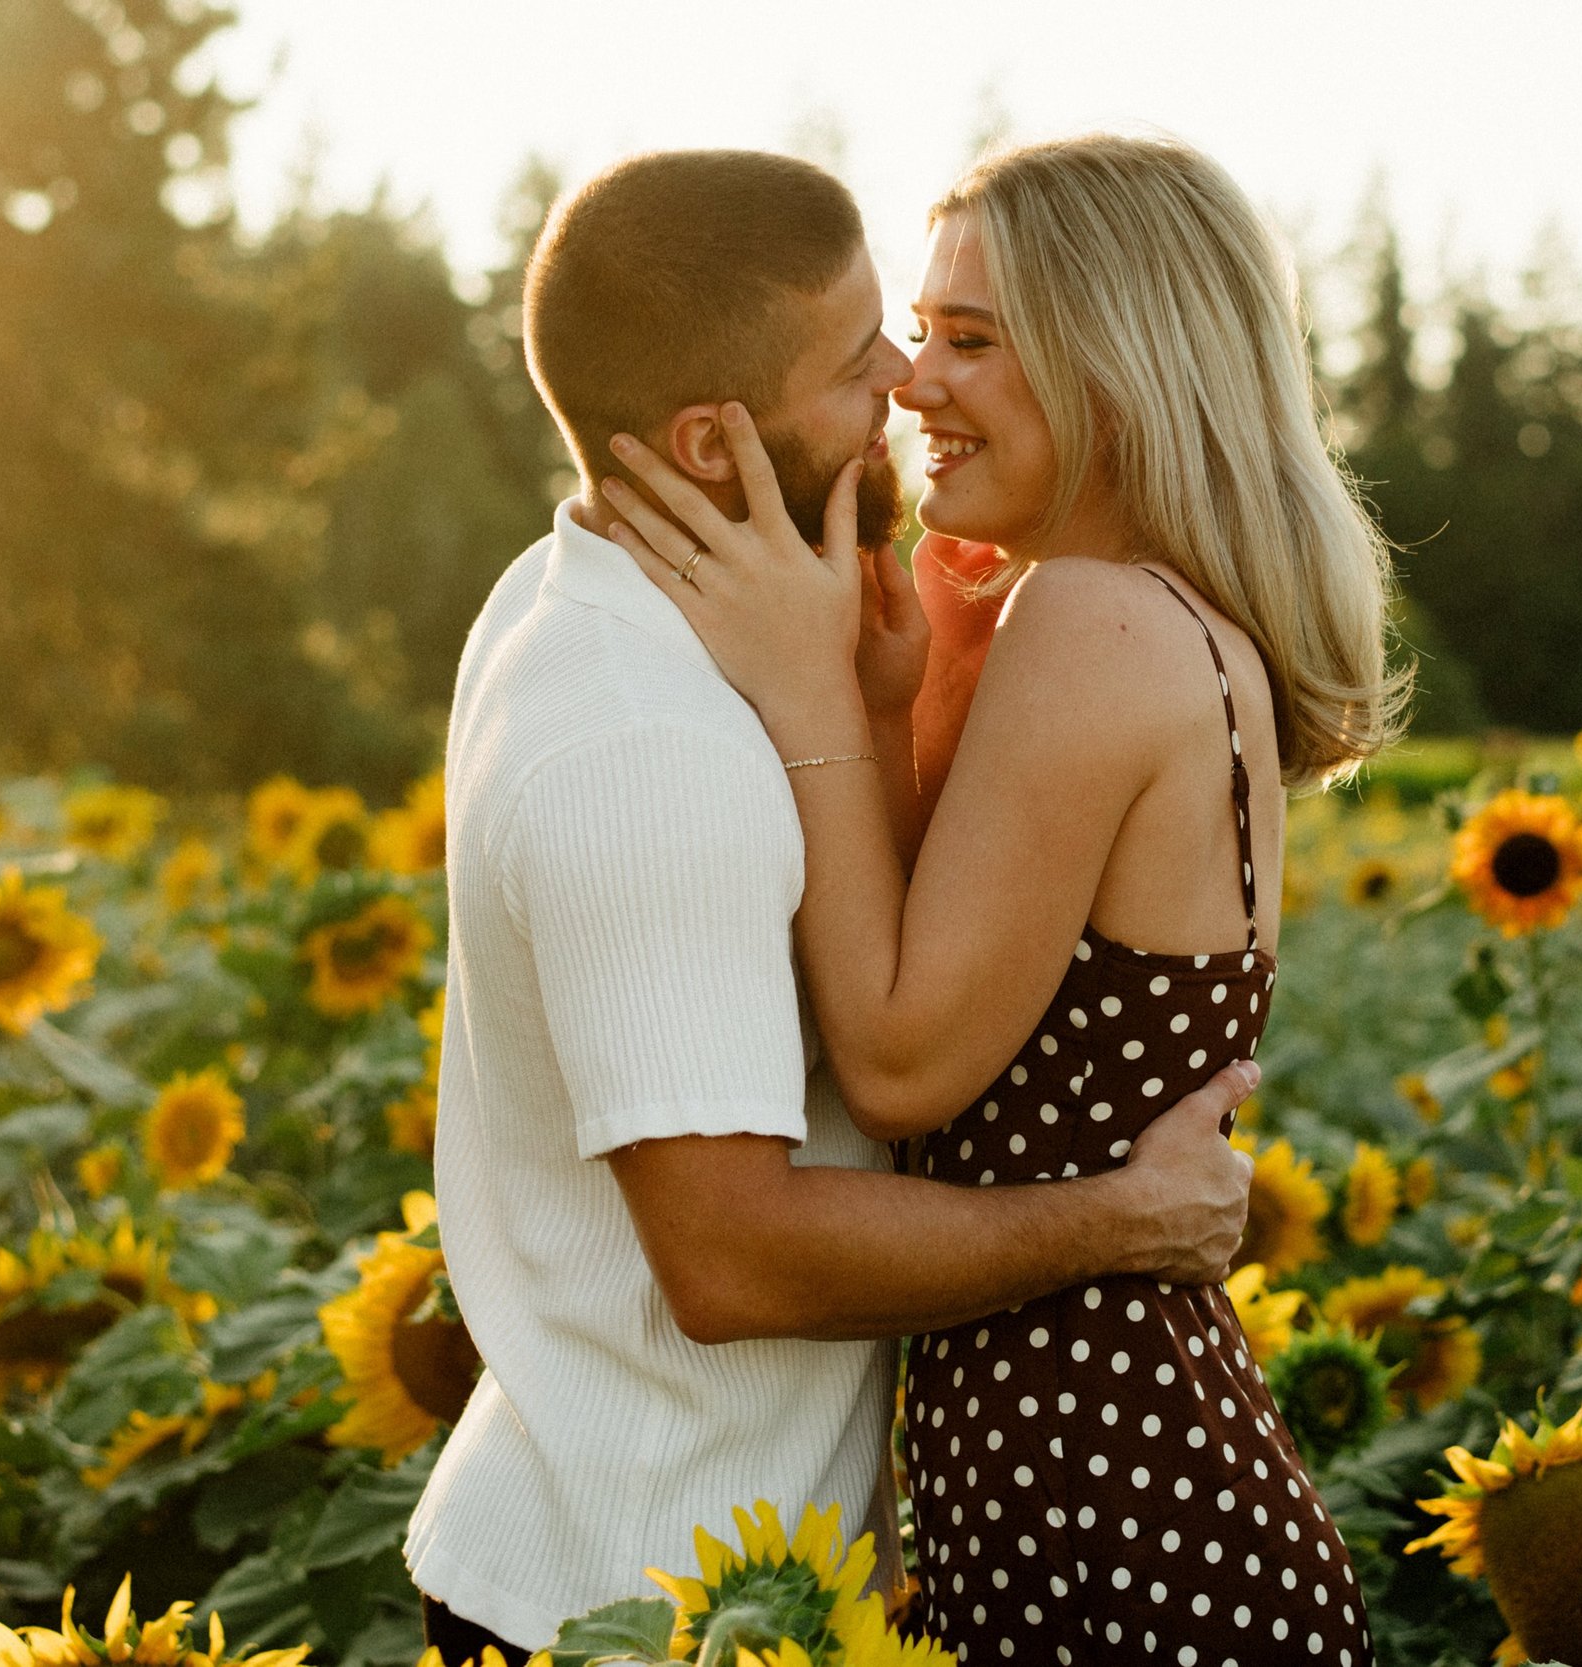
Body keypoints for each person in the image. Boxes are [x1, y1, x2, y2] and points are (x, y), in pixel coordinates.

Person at [405, 148, 1262, 1662]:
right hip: (645, 1602)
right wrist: (1124, 1219)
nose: (906, 381)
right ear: (709, 443)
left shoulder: (569, 608)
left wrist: (859, 709)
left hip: (777, 1573)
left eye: (943, 335)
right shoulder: (648, 745)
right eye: (863, 354)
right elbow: (735, 1259)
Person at [602, 134, 1404, 1666]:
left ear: (1119, 362)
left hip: (1108, 1504)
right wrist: (893, 694)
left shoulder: (1094, 619)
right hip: (1102, 1470)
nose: (912, 384)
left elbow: (907, 1058)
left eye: (970, 340)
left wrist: (802, 698)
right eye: (919, 334)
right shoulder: (1165, 618)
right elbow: (978, 980)